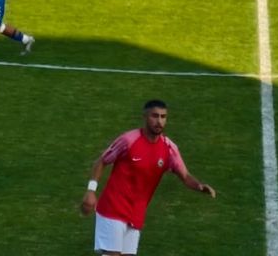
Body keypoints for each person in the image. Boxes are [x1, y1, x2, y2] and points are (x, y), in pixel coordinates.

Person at [81, 100, 217, 256]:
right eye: (155, 116)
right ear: (145, 117)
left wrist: (199, 186)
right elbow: (101, 161)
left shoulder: (168, 148)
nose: (159, 121)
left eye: (163, 117)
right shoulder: (128, 140)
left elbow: (185, 175)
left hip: (136, 214)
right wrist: (91, 191)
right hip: (113, 208)